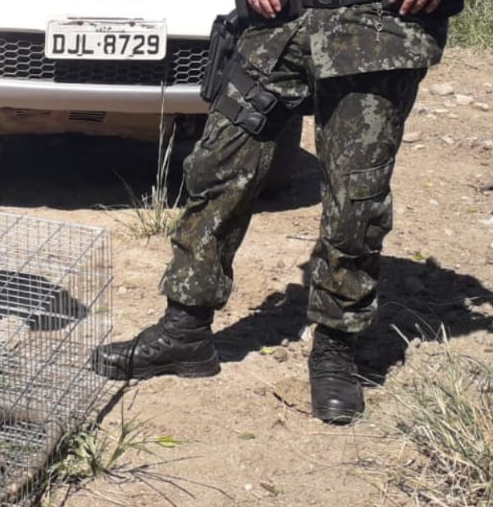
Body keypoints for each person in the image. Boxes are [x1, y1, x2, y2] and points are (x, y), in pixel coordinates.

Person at [93, 0, 463, 424]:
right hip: (280, 26)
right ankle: (185, 329)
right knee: (217, 168)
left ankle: (335, 348)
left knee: (355, 198)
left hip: (375, 33)